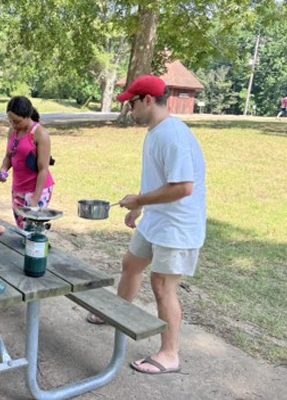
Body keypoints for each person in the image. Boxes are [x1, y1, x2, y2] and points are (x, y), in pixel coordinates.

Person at [87, 75, 207, 376]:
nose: (129, 109)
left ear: (148, 100)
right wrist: (140, 207)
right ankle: (116, 313)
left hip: (177, 226)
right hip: (157, 220)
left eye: (132, 103)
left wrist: (140, 198)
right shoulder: (156, 131)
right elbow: (161, 181)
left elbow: (183, 188)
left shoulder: (173, 135)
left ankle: (169, 354)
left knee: (163, 286)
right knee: (131, 264)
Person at [0, 96, 55, 229]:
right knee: (21, 226)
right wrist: (3, 170)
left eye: (17, 121)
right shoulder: (12, 131)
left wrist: (35, 199)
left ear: (27, 116)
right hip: (18, 187)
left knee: (32, 228)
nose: (13, 125)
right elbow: (8, 156)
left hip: (37, 189)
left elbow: (43, 169)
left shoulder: (40, 134)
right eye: (10, 121)